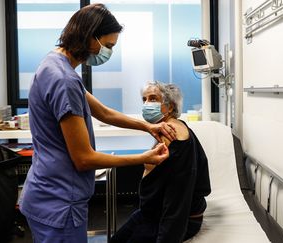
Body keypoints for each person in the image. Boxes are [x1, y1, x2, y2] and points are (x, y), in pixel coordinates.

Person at [19, 4, 176, 243]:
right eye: (108, 46)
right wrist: (144, 157)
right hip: (60, 203)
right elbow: (84, 159)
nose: (108, 53)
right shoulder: (64, 80)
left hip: (43, 193)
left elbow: (103, 112)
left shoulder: (54, 64)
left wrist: (147, 126)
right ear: (89, 36)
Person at [110, 81, 211, 243]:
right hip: (151, 213)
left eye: (153, 99)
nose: (146, 104)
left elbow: (178, 196)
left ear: (170, 107)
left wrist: (166, 238)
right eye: (144, 99)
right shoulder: (166, 128)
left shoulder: (172, 135)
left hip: (175, 219)